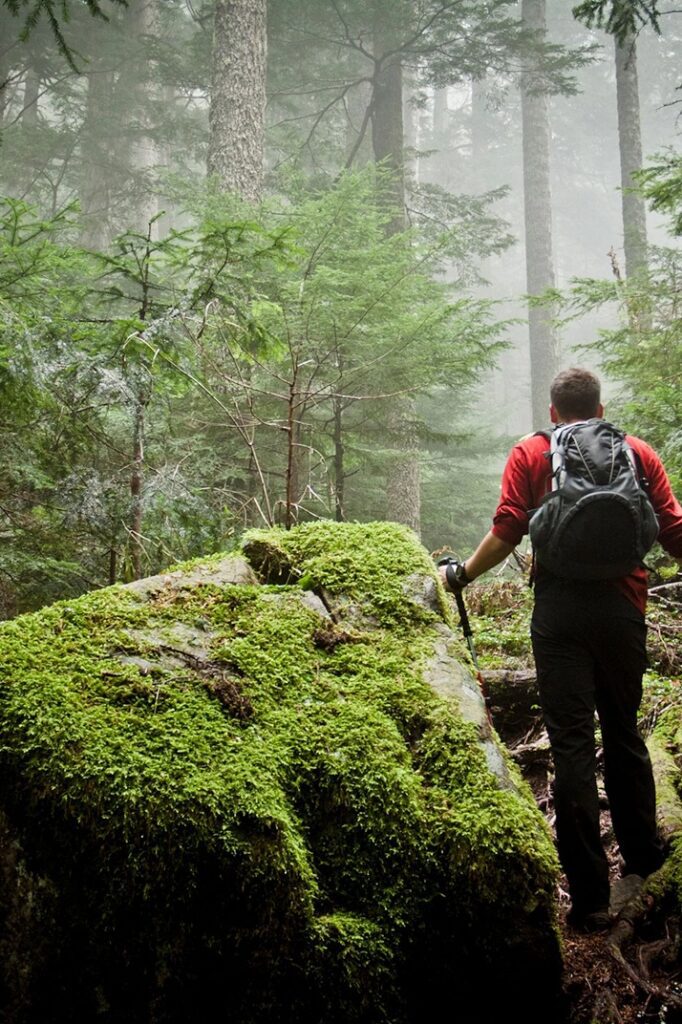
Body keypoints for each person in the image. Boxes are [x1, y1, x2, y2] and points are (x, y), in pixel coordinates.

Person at [440, 367, 682, 932]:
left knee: (571, 743)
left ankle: (592, 901)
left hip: (560, 614)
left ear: (553, 413)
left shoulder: (531, 452)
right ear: (600, 410)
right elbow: (673, 531)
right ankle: (643, 862)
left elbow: (506, 530)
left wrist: (462, 576)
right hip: (625, 608)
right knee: (623, 732)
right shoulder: (637, 452)